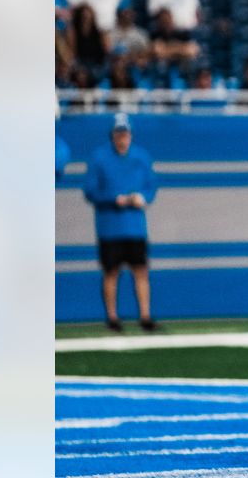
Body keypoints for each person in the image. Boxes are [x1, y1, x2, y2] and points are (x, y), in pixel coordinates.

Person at [82, 113, 159, 332]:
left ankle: (145, 316)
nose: (122, 138)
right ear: (112, 135)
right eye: (118, 134)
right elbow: (90, 191)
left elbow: (151, 186)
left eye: (125, 133)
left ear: (130, 135)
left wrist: (141, 198)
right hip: (110, 228)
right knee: (111, 271)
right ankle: (112, 317)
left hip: (135, 227)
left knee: (141, 270)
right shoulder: (99, 157)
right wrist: (113, 199)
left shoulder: (141, 157)